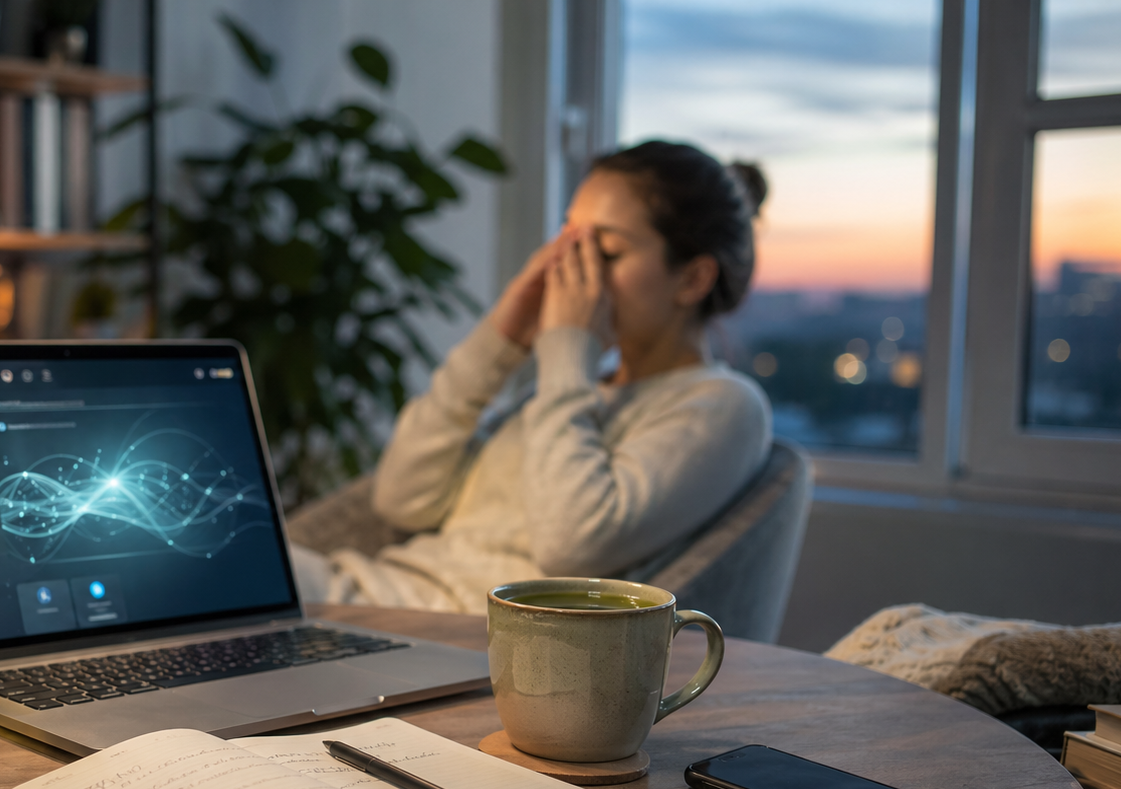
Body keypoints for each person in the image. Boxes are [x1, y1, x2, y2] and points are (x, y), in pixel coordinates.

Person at [290, 140, 773, 614]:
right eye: (569, 244)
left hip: (438, 625)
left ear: (693, 279)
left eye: (605, 252)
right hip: (367, 590)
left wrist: (568, 351)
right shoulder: (568, 392)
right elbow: (400, 499)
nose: (570, 268)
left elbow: (570, 546)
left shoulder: (721, 404)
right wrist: (499, 342)